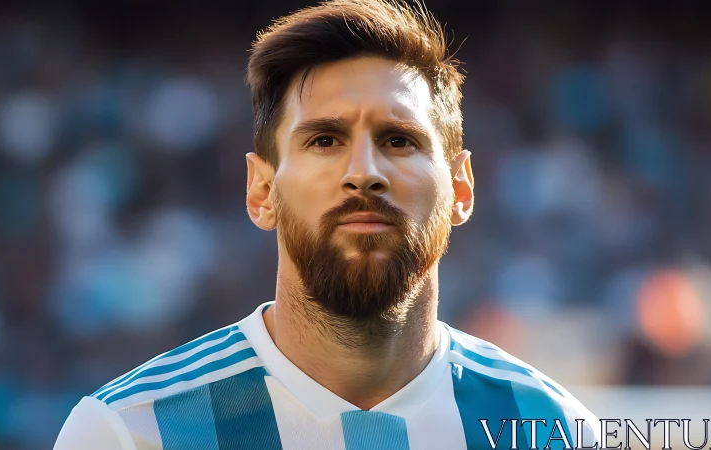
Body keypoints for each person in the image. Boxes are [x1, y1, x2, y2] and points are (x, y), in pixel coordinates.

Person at [54, 0, 601, 448]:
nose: (364, 173)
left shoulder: (557, 431)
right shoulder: (126, 433)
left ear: (461, 188)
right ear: (261, 190)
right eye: (323, 140)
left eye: (398, 140)